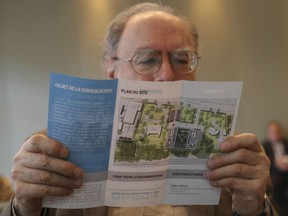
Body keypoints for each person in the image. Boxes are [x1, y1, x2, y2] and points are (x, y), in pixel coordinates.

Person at [1, 2, 276, 216]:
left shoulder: (236, 160)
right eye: (147, 59)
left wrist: (255, 207)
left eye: (182, 59)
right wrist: (22, 206)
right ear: (112, 69)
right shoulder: (51, 150)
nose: (167, 75)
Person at [263, 121, 288, 216]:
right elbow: (266, 161)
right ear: (268, 133)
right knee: (275, 183)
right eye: (272, 131)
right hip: (274, 172)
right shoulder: (264, 146)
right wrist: (276, 163)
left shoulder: (286, 143)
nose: (275, 134)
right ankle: (279, 209)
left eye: (277, 131)